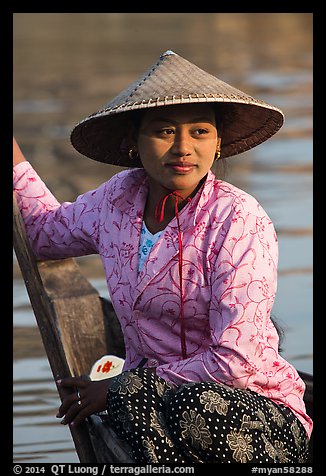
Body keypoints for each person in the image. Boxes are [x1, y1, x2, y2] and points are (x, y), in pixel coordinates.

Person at [13, 50, 312, 463]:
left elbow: (237, 361)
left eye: (201, 131)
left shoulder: (238, 219)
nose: (183, 148)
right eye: (165, 131)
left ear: (219, 142)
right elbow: (45, 233)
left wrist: (119, 389)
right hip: (152, 405)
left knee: (179, 403)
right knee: (132, 405)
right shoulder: (117, 199)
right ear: (134, 142)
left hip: (250, 411)